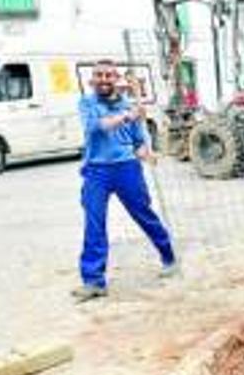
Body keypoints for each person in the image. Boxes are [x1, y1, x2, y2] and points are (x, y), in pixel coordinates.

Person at [72, 60, 177, 302]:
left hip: (127, 169)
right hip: (96, 171)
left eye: (109, 75)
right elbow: (97, 127)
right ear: (92, 80)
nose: (104, 79)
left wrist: (147, 155)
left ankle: (169, 256)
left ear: (116, 79)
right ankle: (94, 281)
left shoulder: (128, 106)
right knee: (94, 223)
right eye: (99, 75)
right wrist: (128, 116)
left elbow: (137, 141)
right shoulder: (87, 103)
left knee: (144, 214)